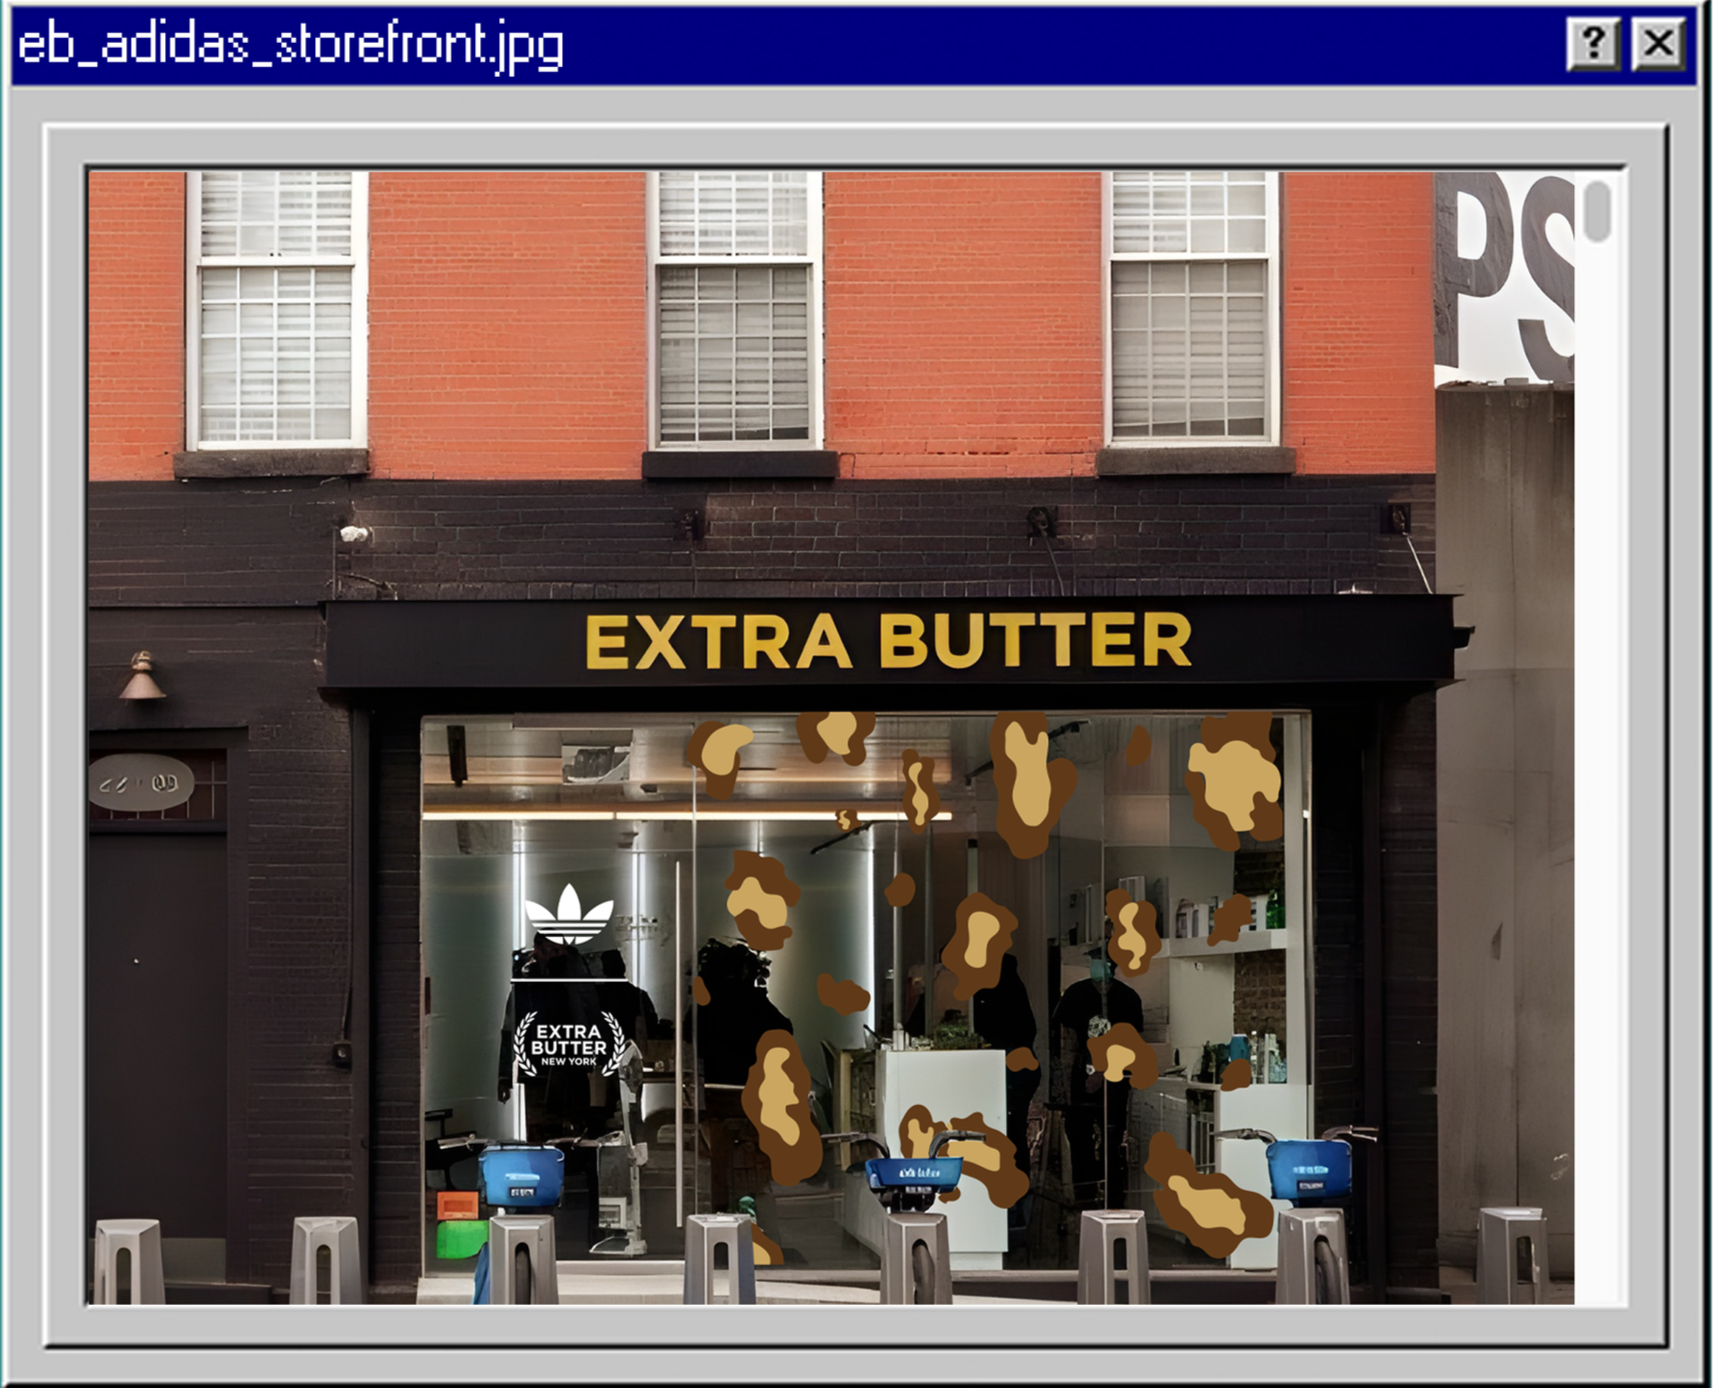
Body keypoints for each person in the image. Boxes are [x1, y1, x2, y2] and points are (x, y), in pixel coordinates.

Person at [692, 938, 792, 1211]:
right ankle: (755, 1202)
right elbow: (784, 1029)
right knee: (757, 1158)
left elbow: (693, 1041)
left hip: (714, 1095)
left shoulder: (705, 1006)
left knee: (719, 1160)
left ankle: (720, 1211)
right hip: (749, 1093)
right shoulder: (752, 1001)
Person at [1050, 948, 1143, 1210]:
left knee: (1112, 1139)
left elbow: (1131, 1044)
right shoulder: (1075, 995)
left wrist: (1103, 1073)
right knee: (1079, 1137)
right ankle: (1085, 1198)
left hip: (1116, 1078)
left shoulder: (1127, 999)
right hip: (1082, 1073)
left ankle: (1113, 1200)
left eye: (1099, 962)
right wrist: (1068, 1086)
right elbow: (1066, 1043)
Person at [970, 952, 1039, 1182]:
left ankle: (1012, 1189)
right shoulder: (1012, 984)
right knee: (1013, 1129)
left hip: (1007, 1066)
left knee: (1005, 1130)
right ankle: (1018, 1191)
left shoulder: (988, 990)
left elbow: (986, 1028)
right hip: (1021, 1066)